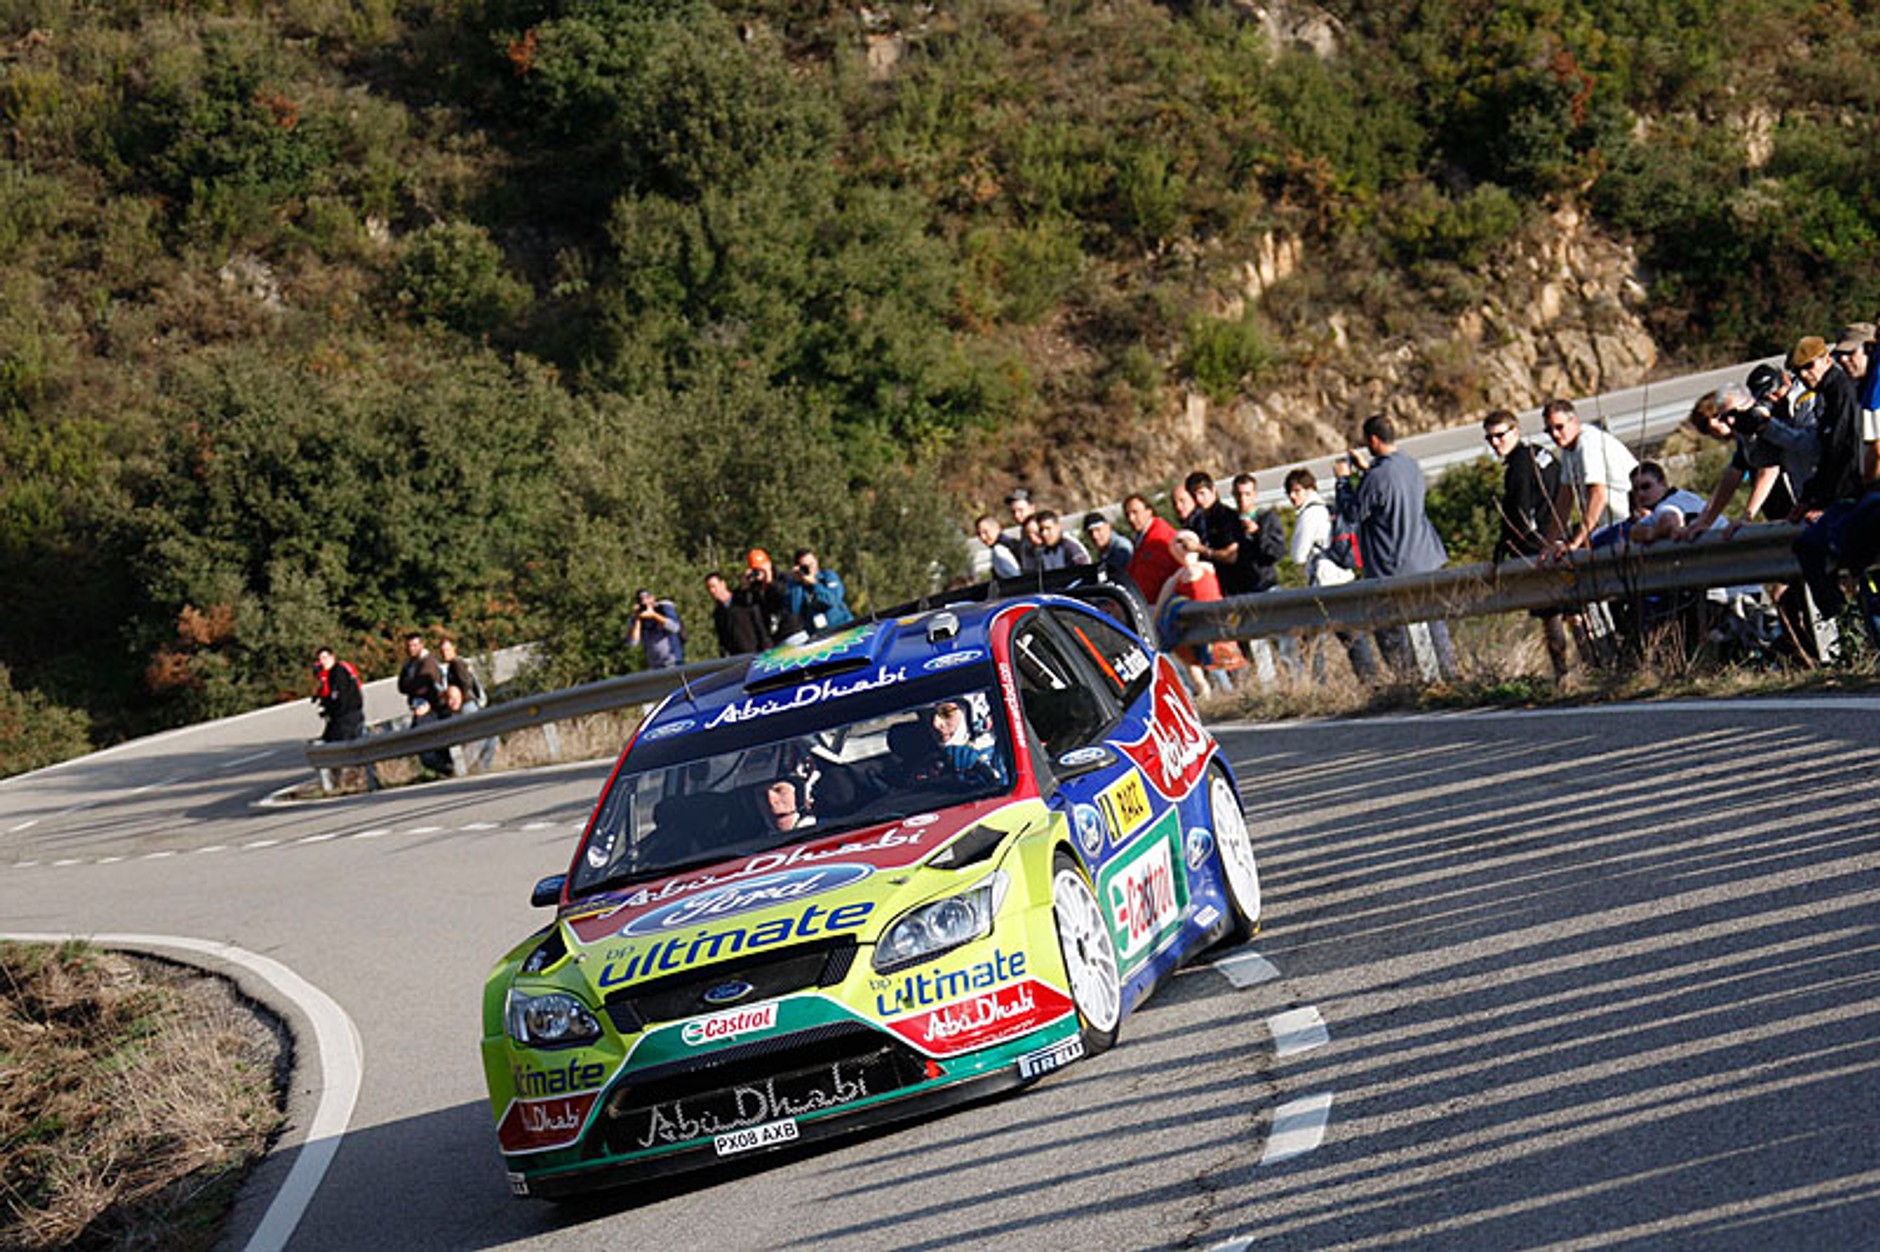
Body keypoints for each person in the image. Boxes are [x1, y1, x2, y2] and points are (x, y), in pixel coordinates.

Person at [1352, 413, 1458, 680]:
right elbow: (1389, 493)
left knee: (1391, 628)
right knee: (1435, 624)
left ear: (1373, 440)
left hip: (1393, 565)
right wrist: (1367, 472)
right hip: (1426, 557)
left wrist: (1345, 482)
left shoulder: (1376, 477)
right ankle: (1447, 675)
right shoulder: (1411, 465)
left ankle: (1410, 680)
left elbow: (1351, 513)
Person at [1790, 332, 1874, 627]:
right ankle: (1844, 620)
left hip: (1853, 496)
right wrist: (1808, 498)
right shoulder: (1829, 394)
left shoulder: (1842, 391)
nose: (1804, 374)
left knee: (1821, 548)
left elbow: (1843, 454)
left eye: (1809, 366)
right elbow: (1829, 456)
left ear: (1826, 359)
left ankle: (1845, 620)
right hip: (1843, 496)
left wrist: (1824, 502)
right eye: (1798, 370)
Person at [1483, 409, 1570, 675]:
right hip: (1561, 539)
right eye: (1490, 439)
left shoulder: (1520, 465)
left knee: (1552, 616)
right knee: (1574, 613)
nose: (1496, 443)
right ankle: (1593, 667)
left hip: (1538, 548)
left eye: (1500, 436)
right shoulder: (1541, 454)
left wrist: (1506, 545)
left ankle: (1563, 675)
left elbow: (1518, 512)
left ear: (1516, 431)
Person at [1675, 377, 1817, 539]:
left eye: (1719, 419)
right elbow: (1731, 476)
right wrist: (1705, 520)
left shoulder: (1761, 427)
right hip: (1785, 515)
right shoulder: (1745, 441)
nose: (1723, 425)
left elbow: (1768, 470)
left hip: (1800, 507)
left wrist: (1746, 516)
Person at [1284, 469, 1378, 683]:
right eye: (1289, 492)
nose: (1292, 496)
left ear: (1309, 490)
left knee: (1311, 639)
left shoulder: (1309, 514)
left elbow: (1298, 555)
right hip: (1343, 577)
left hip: (1323, 583)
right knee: (1353, 636)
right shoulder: (1327, 508)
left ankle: (1319, 688)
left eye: (1297, 490)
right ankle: (1372, 682)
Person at [1542, 398, 1638, 558]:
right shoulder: (1568, 448)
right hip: (1609, 525)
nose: (1555, 434)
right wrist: (1548, 545)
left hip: (1625, 521)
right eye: (1549, 430)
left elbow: (1598, 494)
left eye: (1559, 427)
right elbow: (1564, 499)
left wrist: (1576, 542)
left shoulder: (1587, 443)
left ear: (1574, 422)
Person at [1152, 529, 1244, 693]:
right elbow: (1160, 606)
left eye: (1187, 541)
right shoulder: (1175, 578)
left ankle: (1234, 693)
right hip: (1194, 629)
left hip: (1217, 624)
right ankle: (1207, 693)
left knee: (1225, 663)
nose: (1184, 545)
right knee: (1200, 666)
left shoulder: (1207, 567)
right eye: (1179, 542)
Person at [1225, 473, 1287, 594]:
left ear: (1255, 494)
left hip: (1265, 586)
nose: (1243, 499)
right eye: (1239, 494)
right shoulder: (1229, 522)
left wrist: (1257, 533)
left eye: (1247, 494)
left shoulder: (1267, 518)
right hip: (1239, 590)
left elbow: (1277, 552)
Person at [1123, 493, 1184, 605]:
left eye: (1135, 513)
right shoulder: (1141, 539)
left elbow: (1152, 580)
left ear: (1149, 511)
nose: (1131, 519)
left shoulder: (1158, 537)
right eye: (1128, 515)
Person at [784, 549, 853, 632]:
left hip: (843, 626)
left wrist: (815, 584)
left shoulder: (828, 576)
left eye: (812, 563)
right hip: (819, 635)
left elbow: (832, 600)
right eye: (806, 566)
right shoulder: (796, 586)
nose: (810, 567)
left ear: (816, 561)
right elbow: (794, 609)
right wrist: (797, 582)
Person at [706, 570, 770, 656]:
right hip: (737, 659)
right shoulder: (718, 613)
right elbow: (722, 641)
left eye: (714, 586)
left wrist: (766, 647)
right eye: (709, 588)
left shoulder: (743, 600)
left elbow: (759, 624)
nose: (712, 591)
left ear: (723, 584)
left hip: (757, 653)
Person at [311, 646, 365, 742]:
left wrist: (332, 709)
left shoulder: (339, 673)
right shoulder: (332, 674)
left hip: (348, 716)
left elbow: (342, 696)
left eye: (325, 658)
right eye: (320, 659)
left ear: (332, 657)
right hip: (345, 715)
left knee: (343, 742)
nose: (323, 662)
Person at [396, 632, 448, 722]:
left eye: (414, 645)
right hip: (418, 708)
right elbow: (401, 686)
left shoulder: (428, 661)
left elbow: (421, 686)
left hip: (433, 708)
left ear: (421, 645)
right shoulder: (408, 664)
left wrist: (410, 684)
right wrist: (412, 684)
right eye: (408, 646)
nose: (411, 649)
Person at [628, 588, 685, 669]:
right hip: (654, 665)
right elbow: (633, 642)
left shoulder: (664, 608)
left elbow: (675, 627)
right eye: (641, 600)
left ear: (652, 598)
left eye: (647, 598)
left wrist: (654, 615)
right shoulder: (636, 618)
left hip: (673, 660)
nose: (645, 603)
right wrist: (638, 619)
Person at [1025, 510, 1091, 570]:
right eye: (1041, 530)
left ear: (1058, 527)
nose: (1044, 534)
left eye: (1048, 528)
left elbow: (1084, 571)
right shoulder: (1041, 551)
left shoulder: (1071, 547)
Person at [437, 637, 488, 712]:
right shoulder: (452, 665)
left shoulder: (457, 664)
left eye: (447, 650)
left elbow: (466, 683)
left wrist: (457, 698)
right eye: (442, 651)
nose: (445, 653)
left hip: (467, 704)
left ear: (454, 648)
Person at [1084, 511, 1134, 580]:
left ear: (1108, 527)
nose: (1094, 536)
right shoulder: (1104, 551)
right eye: (1090, 533)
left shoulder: (1121, 547)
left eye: (1098, 530)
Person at [975, 514, 1022, 579]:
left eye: (986, 532)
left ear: (997, 528)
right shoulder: (1010, 543)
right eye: (979, 534)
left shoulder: (1000, 550)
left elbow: (1012, 576)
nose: (983, 537)